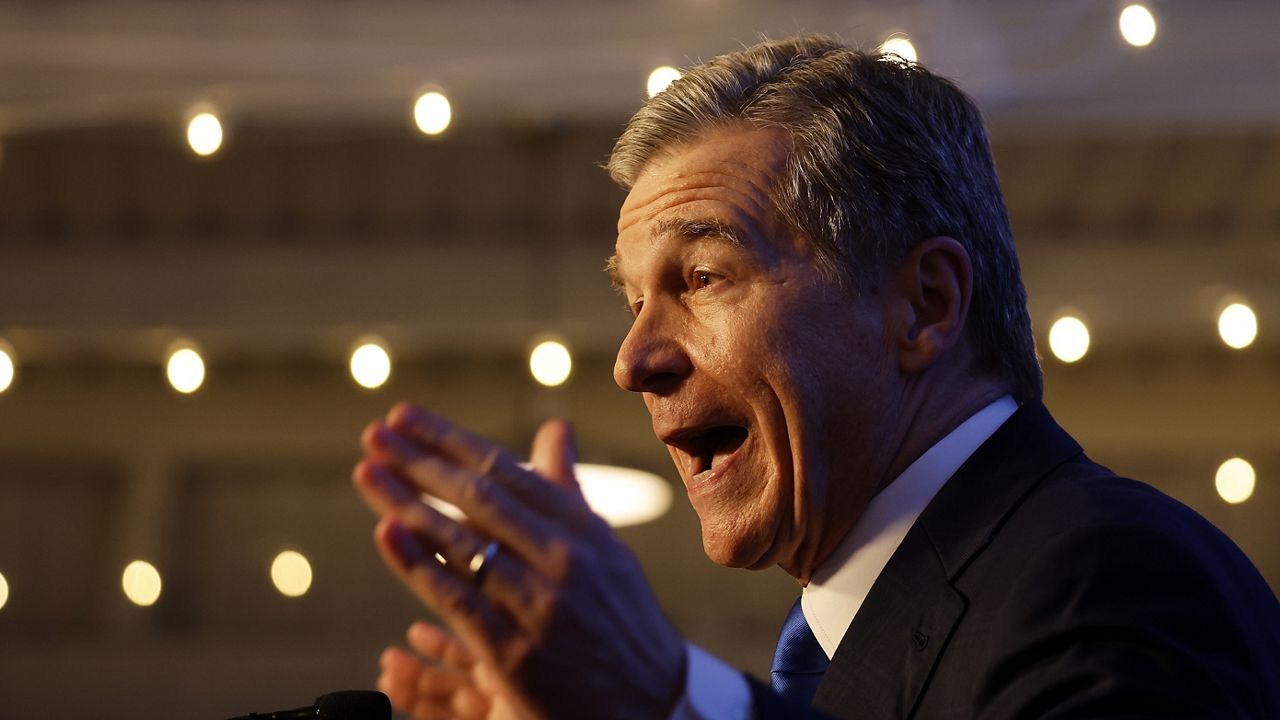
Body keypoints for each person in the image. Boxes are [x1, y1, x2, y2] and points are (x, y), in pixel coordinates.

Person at [352, 35, 1280, 719]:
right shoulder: (867, 637)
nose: (634, 362)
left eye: (703, 277)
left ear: (923, 305)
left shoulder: (1105, 574)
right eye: (634, 303)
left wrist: (666, 702)